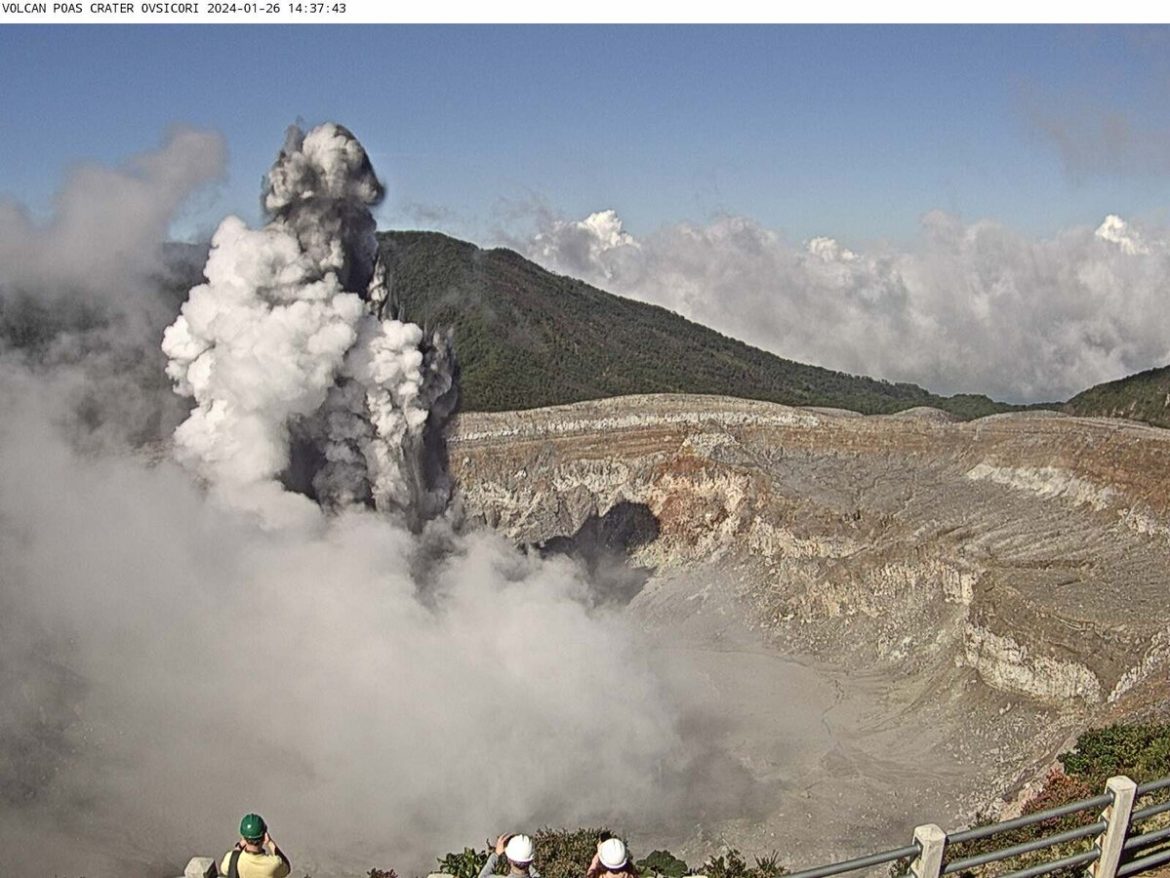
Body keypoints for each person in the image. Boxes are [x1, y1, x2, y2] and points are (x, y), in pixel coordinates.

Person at [219, 812, 292, 878]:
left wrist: (239, 846)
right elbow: (287, 868)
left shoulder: (231, 859)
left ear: (243, 838)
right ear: (264, 836)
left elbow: (224, 870)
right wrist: (270, 842)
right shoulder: (273, 864)